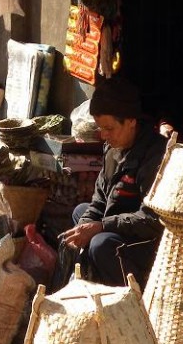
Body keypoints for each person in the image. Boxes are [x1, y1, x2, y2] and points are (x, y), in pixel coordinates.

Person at [58, 76, 168, 286]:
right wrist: (84, 228)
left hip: (148, 239)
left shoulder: (156, 155)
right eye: (101, 129)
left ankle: (135, 296)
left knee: (101, 244)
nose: (104, 136)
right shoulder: (112, 149)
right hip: (120, 226)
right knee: (80, 212)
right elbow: (99, 201)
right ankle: (92, 278)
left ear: (131, 121)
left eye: (109, 128)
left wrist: (101, 227)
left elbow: (152, 220)